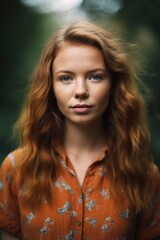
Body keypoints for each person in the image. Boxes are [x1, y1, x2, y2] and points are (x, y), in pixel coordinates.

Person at [0, 21, 160, 240]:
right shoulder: (16, 168)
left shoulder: (145, 175)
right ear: (50, 87)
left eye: (95, 76)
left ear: (113, 85)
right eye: (66, 78)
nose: (81, 91)